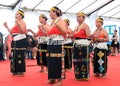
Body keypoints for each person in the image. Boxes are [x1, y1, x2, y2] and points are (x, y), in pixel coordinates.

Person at [46, 6, 67, 86]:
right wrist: (45, 30)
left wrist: (58, 26)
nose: (50, 14)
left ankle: (59, 79)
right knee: (50, 60)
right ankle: (52, 78)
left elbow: (64, 32)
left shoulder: (61, 21)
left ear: (55, 12)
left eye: (51, 12)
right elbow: (49, 33)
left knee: (58, 60)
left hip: (58, 43)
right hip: (50, 43)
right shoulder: (52, 22)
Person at [67, 12, 91, 80]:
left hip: (84, 44)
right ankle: (78, 75)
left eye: (80, 17)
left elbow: (88, 35)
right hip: (76, 44)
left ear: (84, 18)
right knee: (76, 60)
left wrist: (94, 36)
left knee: (84, 60)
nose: (78, 18)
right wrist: (67, 35)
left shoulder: (85, 26)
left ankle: (85, 76)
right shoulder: (76, 27)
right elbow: (73, 35)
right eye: (77, 17)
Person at [3, 9, 27, 75]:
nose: (15, 15)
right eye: (15, 14)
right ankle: (15, 70)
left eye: (17, 14)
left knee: (19, 55)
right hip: (14, 39)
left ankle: (21, 71)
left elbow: (22, 31)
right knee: (14, 55)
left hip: (20, 40)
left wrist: (18, 25)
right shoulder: (16, 22)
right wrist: (6, 26)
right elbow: (11, 32)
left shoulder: (22, 22)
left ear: (21, 16)